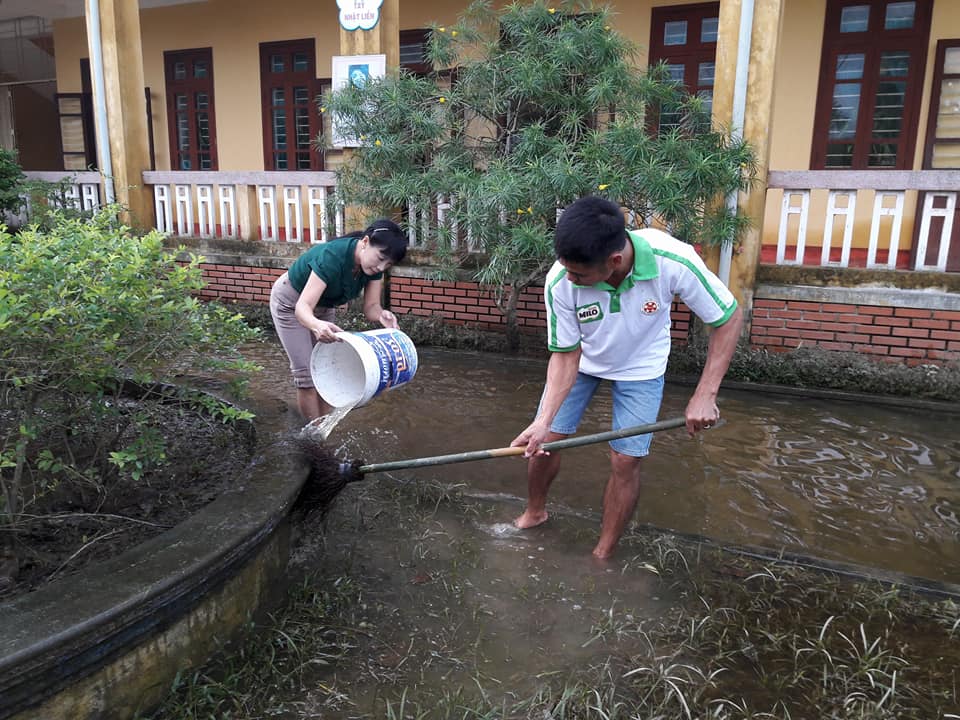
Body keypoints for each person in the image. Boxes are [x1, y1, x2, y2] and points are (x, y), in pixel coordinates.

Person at [511, 196, 743, 559]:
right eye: (566, 270)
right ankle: (535, 511)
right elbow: (566, 355)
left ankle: (603, 551)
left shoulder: (673, 260)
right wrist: (542, 421)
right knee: (543, 442)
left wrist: (704, 394)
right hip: (584, 361)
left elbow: (727, 317)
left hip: (641, 366)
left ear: (614, 261)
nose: (569, 278)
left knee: (626, 460)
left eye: (580, 275)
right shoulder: (561, 280)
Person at [269, 218, 408, 421]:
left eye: (388, 264)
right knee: (306, 376)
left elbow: (370, 307)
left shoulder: (373, 269)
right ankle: (312, 441)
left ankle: (323, 430)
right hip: (291, 304)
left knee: (327, 372)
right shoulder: (334, 256)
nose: (381, 267)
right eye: (380, 258)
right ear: (366, 242)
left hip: (323, 308)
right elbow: (302, 308)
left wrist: (381, 315)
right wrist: (316, 325)